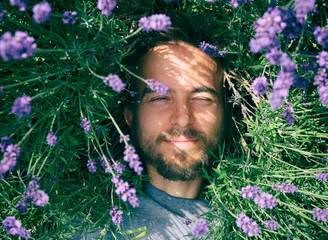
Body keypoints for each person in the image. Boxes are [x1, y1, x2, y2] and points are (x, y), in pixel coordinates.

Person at [84, 14, 231, 240]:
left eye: (202, 98)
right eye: (160, 99)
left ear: (225, 113)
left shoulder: (263, 224)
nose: (183, 118)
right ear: (130, 116)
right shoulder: (86, 228)